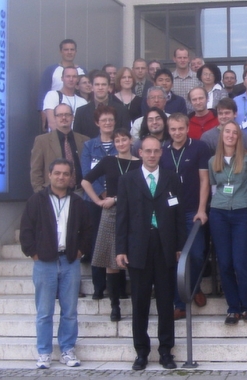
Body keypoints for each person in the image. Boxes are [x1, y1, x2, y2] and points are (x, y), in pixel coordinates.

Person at [115, 136, 186, 370]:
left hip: (165, 246)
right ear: (140, 153)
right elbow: (122, 216)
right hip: (138, 247)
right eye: (148, 151)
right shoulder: (128, 180)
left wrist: (179, 246)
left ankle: (166, 351)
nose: (152, 155)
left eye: (156, 151)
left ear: (161, 153)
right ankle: (141, 351)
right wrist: (121, 249)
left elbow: (179, 215)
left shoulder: (171, 178)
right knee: (140, 302)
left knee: (166, 302)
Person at [20, 158, 92, 369]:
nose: (61, 177)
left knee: (70, 310)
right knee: (44, 311)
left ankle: (67, 350)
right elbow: (26, 230)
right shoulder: (36, 200)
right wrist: (33, 253)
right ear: (50, 175)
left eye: (66, 174)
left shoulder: (78, 202)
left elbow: (88, 230)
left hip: (69, 261)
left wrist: (79, 251)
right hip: (44, 262)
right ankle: (44, 352)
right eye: (57, 173)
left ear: (71, 178)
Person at [81, 128, 141, 322]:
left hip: (134, 213)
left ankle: (137, 305)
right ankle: (114, 306)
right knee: (110, 262)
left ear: (131, 141)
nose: (121, 143)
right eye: (117, 141)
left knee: (134, 258)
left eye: (124, 140)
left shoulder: (139, 164)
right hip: (110, 213)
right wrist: (97, 201)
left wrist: (114, 198)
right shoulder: (108, 161)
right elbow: (85, 181)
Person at [159, 113, 212, 320]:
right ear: (168, 130)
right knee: (174, 257)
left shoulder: (199, 148)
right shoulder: (163, 152)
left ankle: (194, 286)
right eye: (173, 129)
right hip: (170, 213)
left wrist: (201, 209)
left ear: (187, 128)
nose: (177, 133)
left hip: (192, 210)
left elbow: (204, 180)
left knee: (197, 254)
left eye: (180, 128)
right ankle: (180, 303)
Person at [208, 121, 247, 325]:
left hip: (242, 213)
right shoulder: (214, 160)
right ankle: (233, 307)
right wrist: (215, 207)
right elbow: (214, 189)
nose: (230, 135)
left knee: (241, 262)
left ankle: (246, 306)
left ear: (239, 136)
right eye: (227, 132)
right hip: (219, 213)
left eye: (234, 133)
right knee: (225, 263)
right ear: (221, 135)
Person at [79, 106, 121, 300]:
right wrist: (101, 194)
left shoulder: (120, 144)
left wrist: (112, 196)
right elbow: (86, 173)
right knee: (97, 241)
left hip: (116, 201)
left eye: (110, 120)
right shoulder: (89, 146)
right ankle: (98, 285)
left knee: (115, 241)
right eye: (104, 120)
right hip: (94, 202)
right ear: (97, 123)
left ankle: (117, 287)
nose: (107, 123)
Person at [30, 104, 89, 193]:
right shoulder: (42, 141)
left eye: (67, 114)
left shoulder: (85, 140)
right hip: (52, 193)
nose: (64, 117)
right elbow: (36, 171)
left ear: (72, 117)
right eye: (60, 115)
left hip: (80, 193)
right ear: (55, 118)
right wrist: (41, 194)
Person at [74, 72, 130, 139]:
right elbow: (77, 138)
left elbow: (126, 136)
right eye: (97, 84)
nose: (100, 88)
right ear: (92, 87)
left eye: (103, 84)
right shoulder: (81, 112)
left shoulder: (121, 110)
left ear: (109, 87)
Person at [38, 39, 85, 114]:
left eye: (72, 49)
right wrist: (43, 115)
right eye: (66, 50)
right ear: (61, 52)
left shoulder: (82, 71)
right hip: (55, 111)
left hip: (79, 109)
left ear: (76, 52)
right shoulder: (51, 70)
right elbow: (43, 93)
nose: (69, 52)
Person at [42, 66, 87, 132]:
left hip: (77, 140)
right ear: (62, 78)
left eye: (74, 76)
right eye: (68, 76)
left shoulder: (83, 102)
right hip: (57, 139)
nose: (71, 79)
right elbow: (52, 123)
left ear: (77, 79)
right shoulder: (52, 95)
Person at [171, 47, 202, 112]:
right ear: (174, 59)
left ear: (189, 59)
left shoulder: (198, 77)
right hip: (175, 117)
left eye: (185, 58)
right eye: (179, 58)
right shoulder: (169, 78)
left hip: (194, 116)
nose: (182, 60)